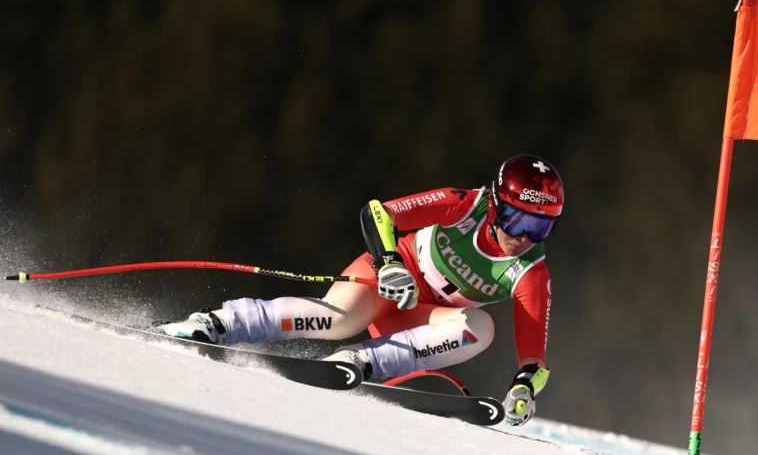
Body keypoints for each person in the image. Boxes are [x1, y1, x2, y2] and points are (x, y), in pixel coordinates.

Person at [159, 154, 563, 426]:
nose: (525, 237)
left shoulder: (531, 271)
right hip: (389, 282)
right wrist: (389, 263)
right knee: (338, 318)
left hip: (418, 321)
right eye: (517, 220)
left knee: (481, 327)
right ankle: (216, 324)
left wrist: (523, 389)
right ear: (495, 204)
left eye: (541, 226)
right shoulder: (464, 205)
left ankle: (360, 363)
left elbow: (535, 361)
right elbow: (378, 211)